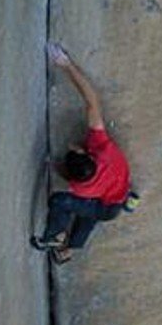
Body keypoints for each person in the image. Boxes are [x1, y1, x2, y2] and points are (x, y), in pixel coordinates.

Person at [31, 43, 134, 264]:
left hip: (107, 201)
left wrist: (53, 165)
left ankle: (55, 237)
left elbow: (72, 186)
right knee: (88, 214)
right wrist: (67, 64)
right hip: (113, 201)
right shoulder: (103, 147)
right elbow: (92, 102)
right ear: (87, 154)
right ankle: (69, 250)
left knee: (61, 202)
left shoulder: (82, 187)